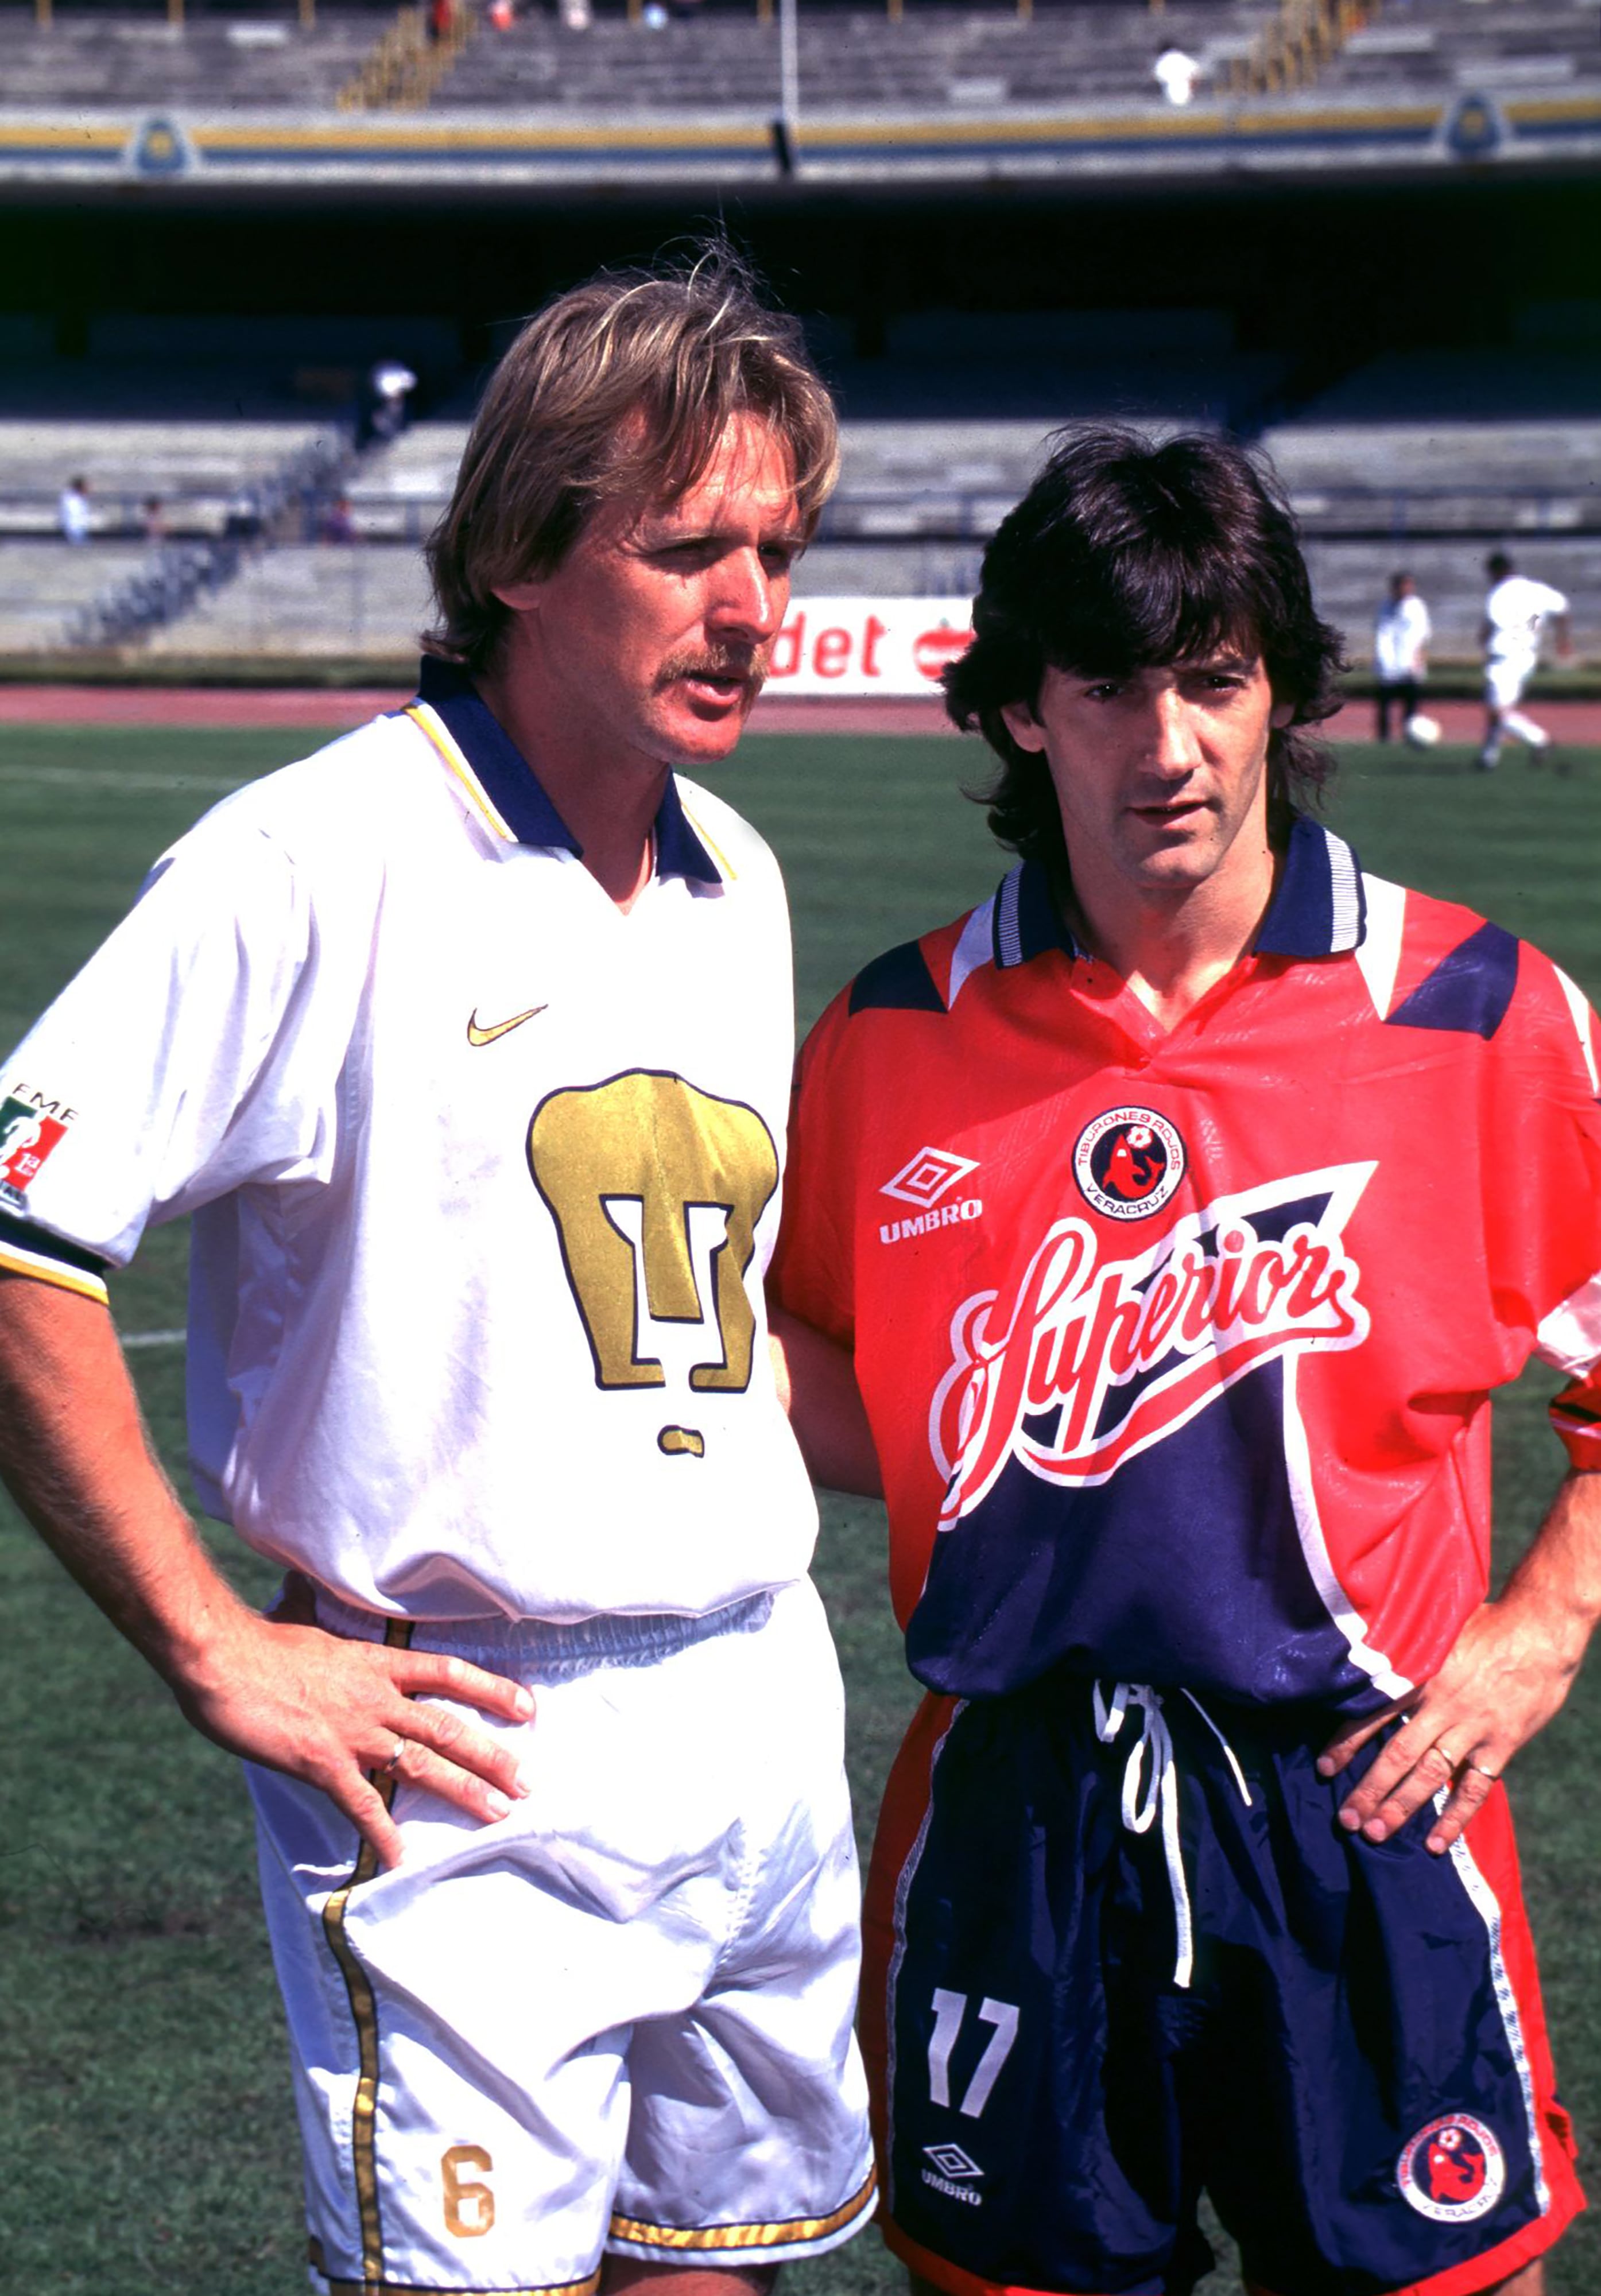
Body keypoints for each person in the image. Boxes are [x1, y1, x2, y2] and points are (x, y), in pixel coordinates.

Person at [0, 248, 875, 2296]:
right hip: (462, 1736)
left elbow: (708, 1323)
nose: (754, 605)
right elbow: (20, 1229)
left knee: (712, 2265)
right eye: (686, 550)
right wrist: (220, 1643)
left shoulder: (732, 873)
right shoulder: (313, 861)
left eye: (779, 547)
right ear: (520, 547)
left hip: (754, 1695)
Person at [773, 428, 1600, 2296]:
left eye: (1212, 681)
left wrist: (1539, 1624)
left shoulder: (1471, 1011)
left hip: (1362, 1802)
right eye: (1105, 687)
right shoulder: (893, 1033)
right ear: (1011, 716)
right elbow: (815, 1369)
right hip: (1017, 1810)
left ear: (1281, 693)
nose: (1165, 746)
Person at [1479, 548, 1571, 770]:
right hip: (1526, 656)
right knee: (1499, 708)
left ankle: (1539, 740)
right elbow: (1562, 608)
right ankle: (1488, 758)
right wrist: (1562, 640)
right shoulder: (1535, 590)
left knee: (1498, 712)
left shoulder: (1499, 593)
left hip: (1504, 657)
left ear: (1497, 571)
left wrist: (1483, 639)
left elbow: (1490, 625)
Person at [1373, 566, 1431, 741]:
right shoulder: (1385, 606)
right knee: (1384, 705)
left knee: (1411, 706)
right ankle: (1384, 738)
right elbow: (1382, 633)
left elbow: (1423, 634)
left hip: (1409, 662)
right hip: (1389, 663)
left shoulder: (1416, 606)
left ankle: (1410, 737)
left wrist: (1418, 657)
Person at [57, 472, 91, 543]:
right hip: (74, 528)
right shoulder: (70, 499)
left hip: (80, 527)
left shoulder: (79, 498)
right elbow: (73, 515)